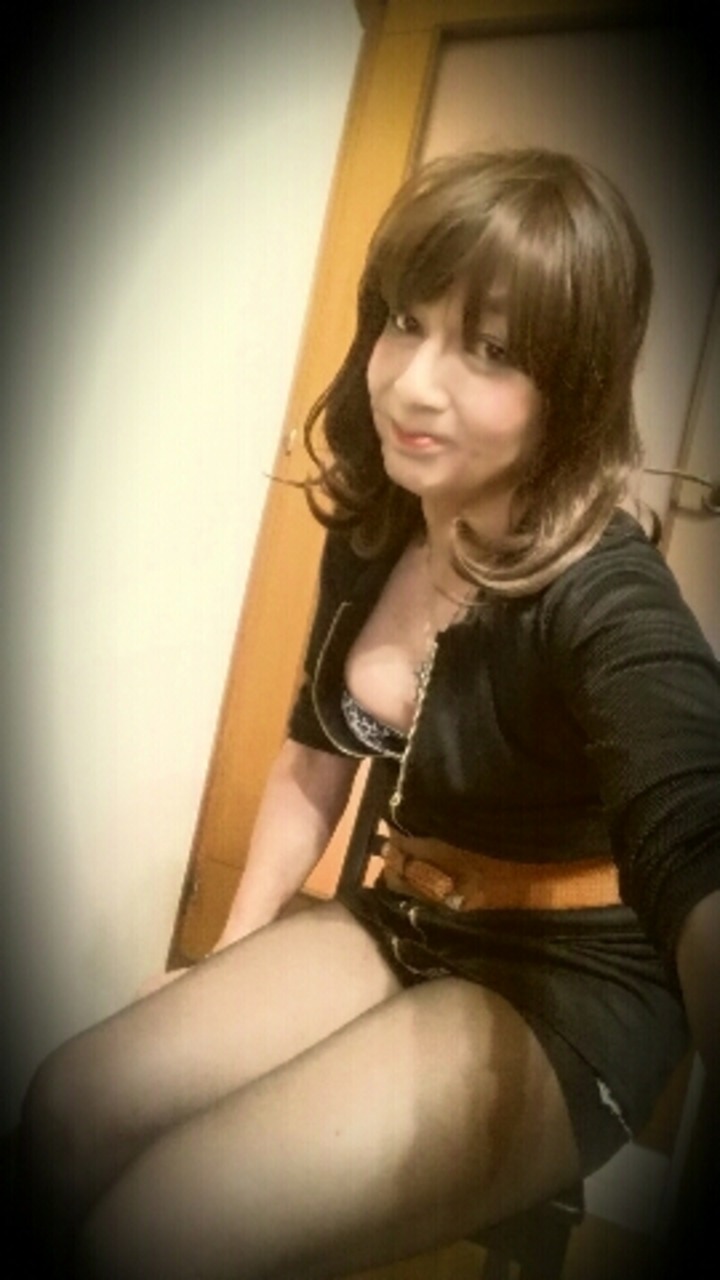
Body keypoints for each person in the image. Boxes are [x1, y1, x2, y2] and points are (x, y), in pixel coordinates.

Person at [18, 148, 720, 1280]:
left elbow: (694, 818)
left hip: (571, 985)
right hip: (408, 914)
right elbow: (313, 760)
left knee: (162, 1226)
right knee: (68, 1107)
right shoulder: (383, 524)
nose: (412, 384)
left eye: (490, 350)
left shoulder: (607, 593)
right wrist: (225, 958)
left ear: (575, 385)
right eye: (406, 322)